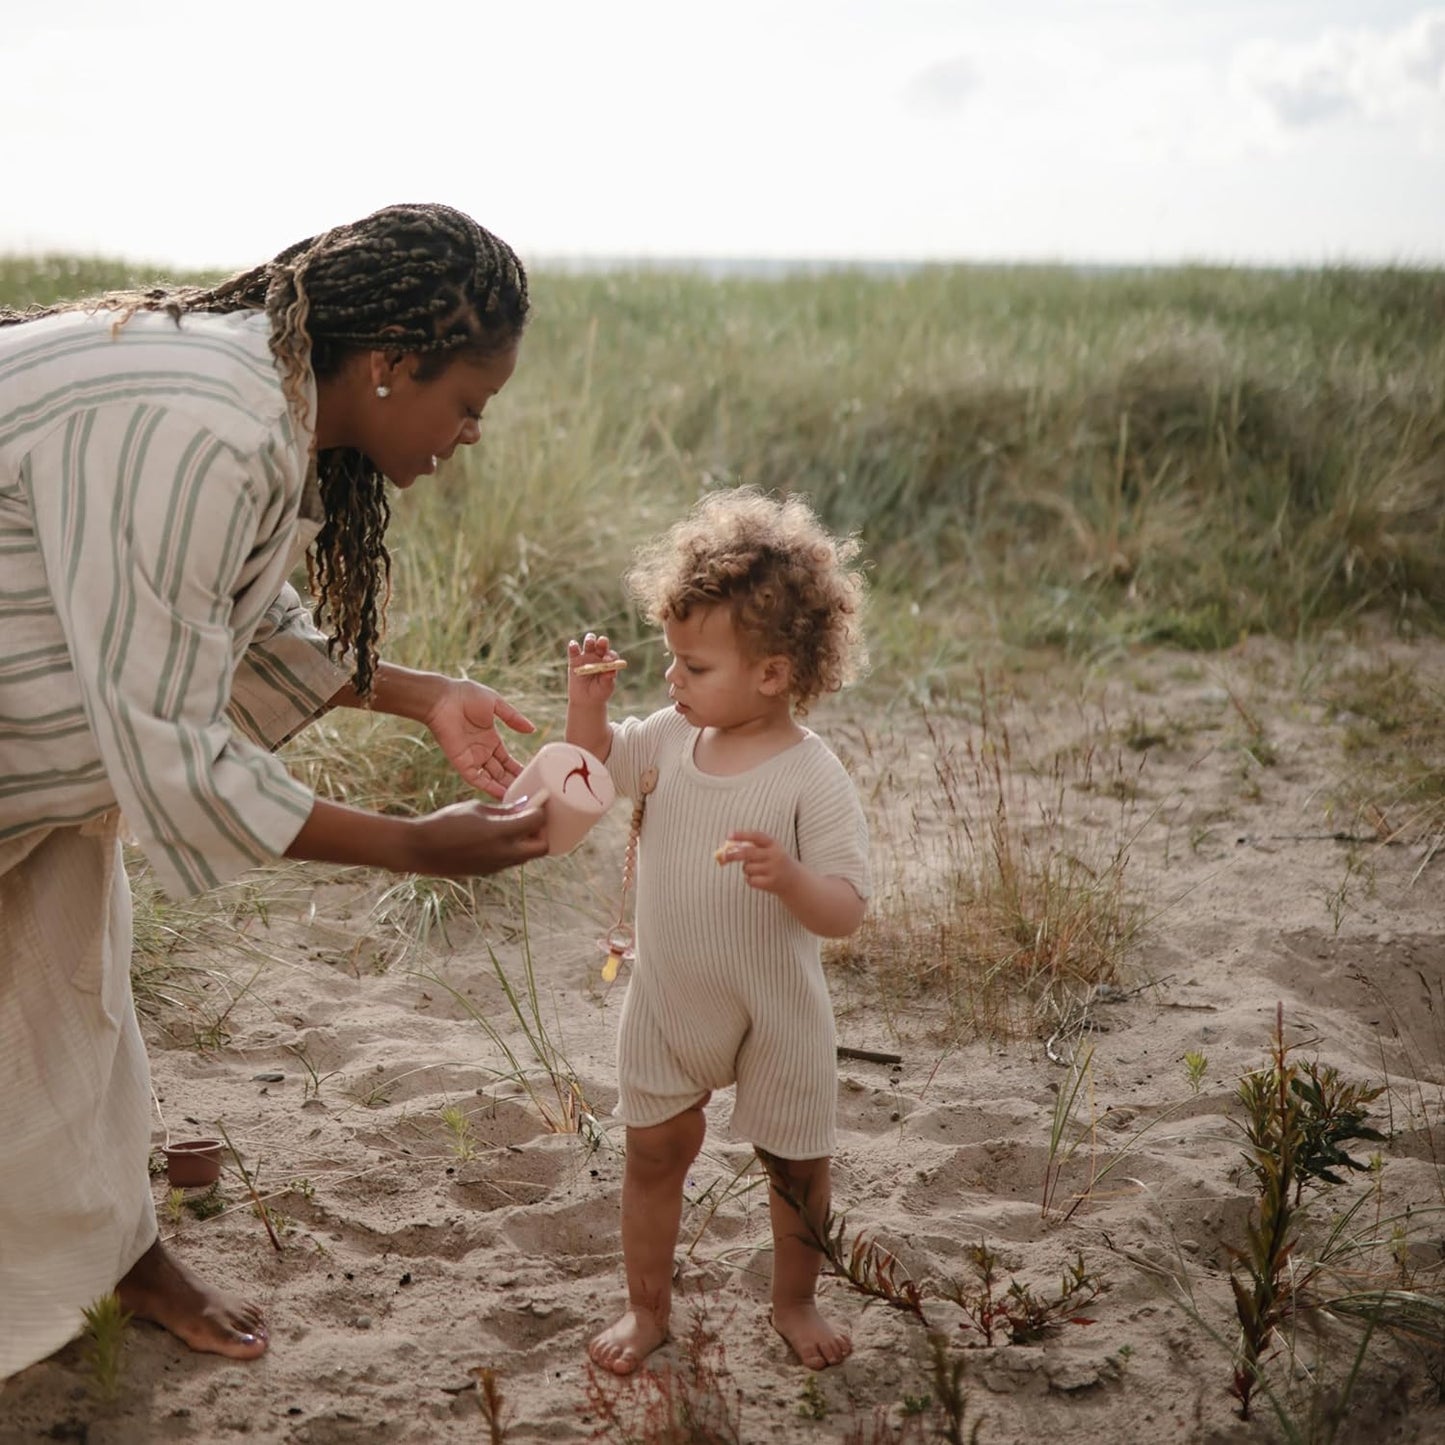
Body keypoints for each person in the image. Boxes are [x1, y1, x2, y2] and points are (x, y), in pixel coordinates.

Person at [0, 203, 552, 1382]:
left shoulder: (263, 404)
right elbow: (172, 745)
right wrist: (413, 846)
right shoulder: (205, 423)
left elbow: (223, 616)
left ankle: (113, 1253)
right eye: (469, 403)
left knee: (63, 991)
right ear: (391, 364)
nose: (468, 435)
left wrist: (421, 693)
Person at [565, 486, 871, 1374]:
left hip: (777, 1008)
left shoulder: (812, 776)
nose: (672, 681)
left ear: (772, 674)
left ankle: (794, 1300)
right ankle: (645, 1310)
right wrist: (587, 702)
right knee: (653, 1153)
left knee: (794, 1165)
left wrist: (793, 878)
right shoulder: (665, 738)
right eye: (671, 660)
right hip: (669, 999)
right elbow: (591, 773)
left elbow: (846, 906)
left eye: (694, 667)